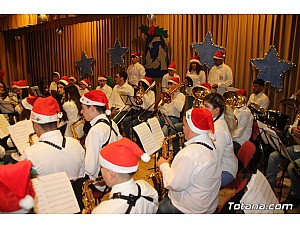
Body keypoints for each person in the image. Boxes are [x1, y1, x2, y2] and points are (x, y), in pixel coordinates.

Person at [157, 108, 221, 213]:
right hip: (208, 205)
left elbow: (173, 184)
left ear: (192, 128)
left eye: (184, 125)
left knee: (161, 206)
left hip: (188, 209)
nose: (183, 128)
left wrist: (164, 165)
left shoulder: (189, 154)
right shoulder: (211, 143)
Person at [23, 96, 85, 180]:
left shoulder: (29, 154)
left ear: (36, 126)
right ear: (57, 123)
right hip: (73, 192)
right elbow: (81, 177)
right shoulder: (76, 144)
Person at [91, 137, 158, 214]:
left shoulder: (102, 211)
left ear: (111, 174)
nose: (101, 171)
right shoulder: (146, 187)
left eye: (102, 167)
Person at [80, 90, 122, 180]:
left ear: (92, 108)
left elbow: (90, 169)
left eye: (83, 108)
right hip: (113, 175)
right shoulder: (112, 123)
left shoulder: (95, 131)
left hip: (99, 181)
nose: (81, 112)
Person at [203, 93, 238, 187]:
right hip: (219, 164)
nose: (203, 109)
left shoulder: (219, 129)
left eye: (206, 106)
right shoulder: (214, 121)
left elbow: (216, 157)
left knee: (198, 185)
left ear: (217, 110)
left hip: (225, 169)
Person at [266, 113, 300, 206]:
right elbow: (291, 128)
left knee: (292, 167)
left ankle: (296, 195)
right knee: (273, 157)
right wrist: (293, 130)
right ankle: (269, 190)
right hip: (297, 148)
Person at [158, 77, 186, 156]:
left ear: (177, 85)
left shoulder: (181, 96)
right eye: (169, 84)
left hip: (173, 118)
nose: (169, 87)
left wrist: (173, 98)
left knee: (164, 132)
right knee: (155, 129)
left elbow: (180, 109)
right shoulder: (166, 94)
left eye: (171, 84)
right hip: (164, 117)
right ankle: (161, 152)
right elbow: (159, 108)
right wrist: (163, 102)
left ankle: (168, 154)